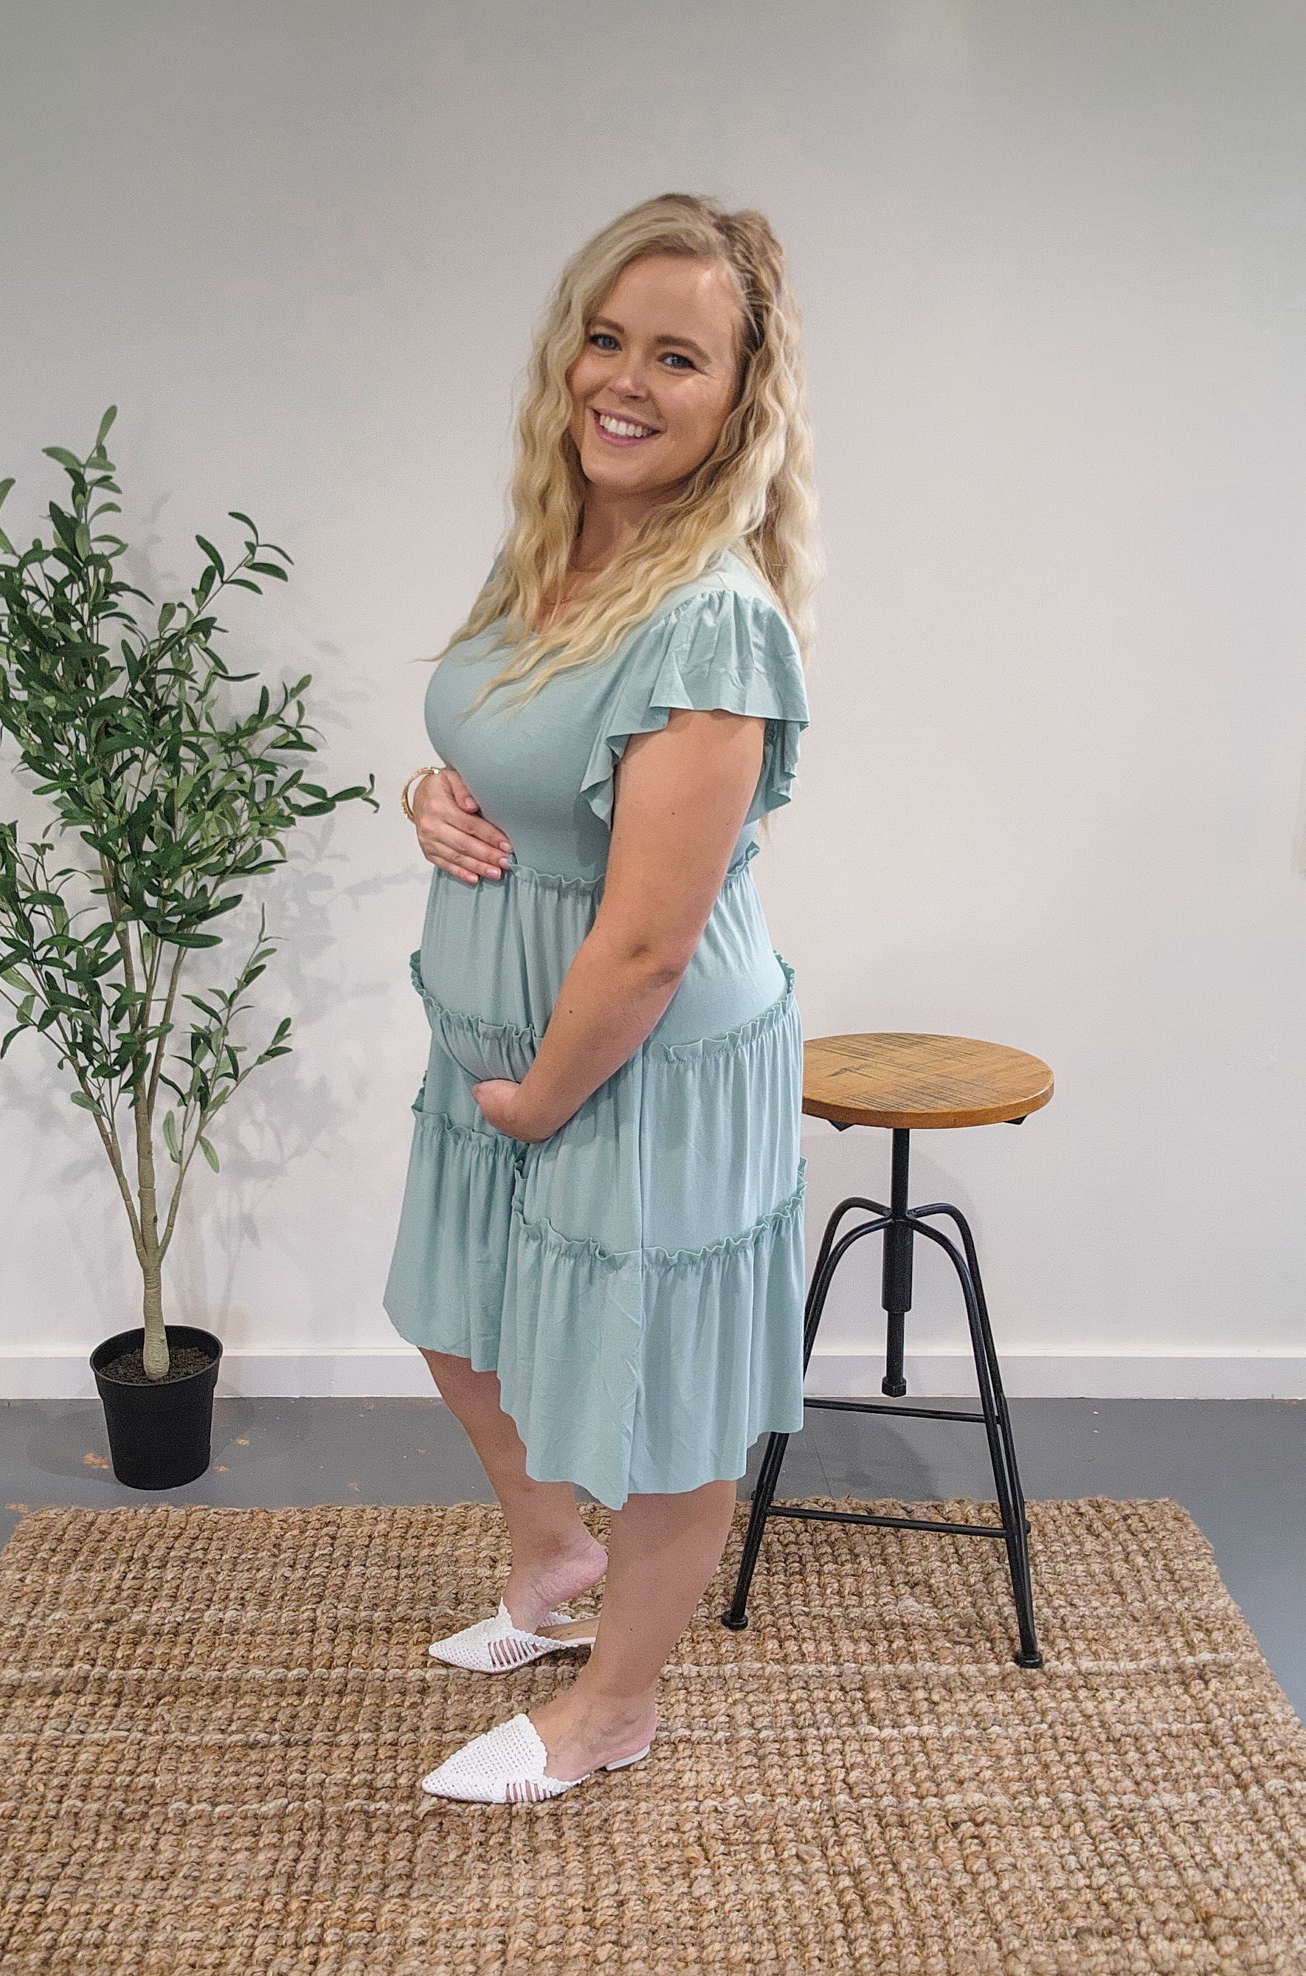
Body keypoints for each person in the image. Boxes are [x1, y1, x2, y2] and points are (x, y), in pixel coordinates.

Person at [382, 191, 820, 1805]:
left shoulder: (707, 616)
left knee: (658, 1401)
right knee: (458, 1318)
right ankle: (552, 1554)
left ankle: (617, 1705)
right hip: (505, 1040)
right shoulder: (555, 539)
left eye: (677, 357)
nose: (623, 380)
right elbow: (506, 750)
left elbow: (642, 948)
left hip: (631, 1061)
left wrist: (541, 1101)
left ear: (737, 401)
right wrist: (428, 794)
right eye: (607, 336)